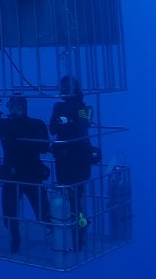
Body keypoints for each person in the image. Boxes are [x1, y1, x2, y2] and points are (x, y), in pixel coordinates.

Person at [0, 95, 52, 254]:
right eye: (11, 106)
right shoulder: (4, 124)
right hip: (11, 176)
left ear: (25, 107)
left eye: (18, 105)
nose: (14, 108)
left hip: (32, 175)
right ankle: (15, 237)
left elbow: (44, 147)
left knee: (43, 213)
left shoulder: (36, 124)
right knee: (8, 214)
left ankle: (55, 235)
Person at [50, 75, 94, 250]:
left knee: (76, 198)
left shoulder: (85, 107)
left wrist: (68, 121)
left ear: (76, 89)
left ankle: (80, 231)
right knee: (64, 197)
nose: (65, 90)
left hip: (79, 160)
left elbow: (82, 126)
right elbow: (53, 129)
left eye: (68, 87)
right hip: (63, 158)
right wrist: (62, 121)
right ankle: (68, 232)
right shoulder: (58, 106)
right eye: (63, 87)